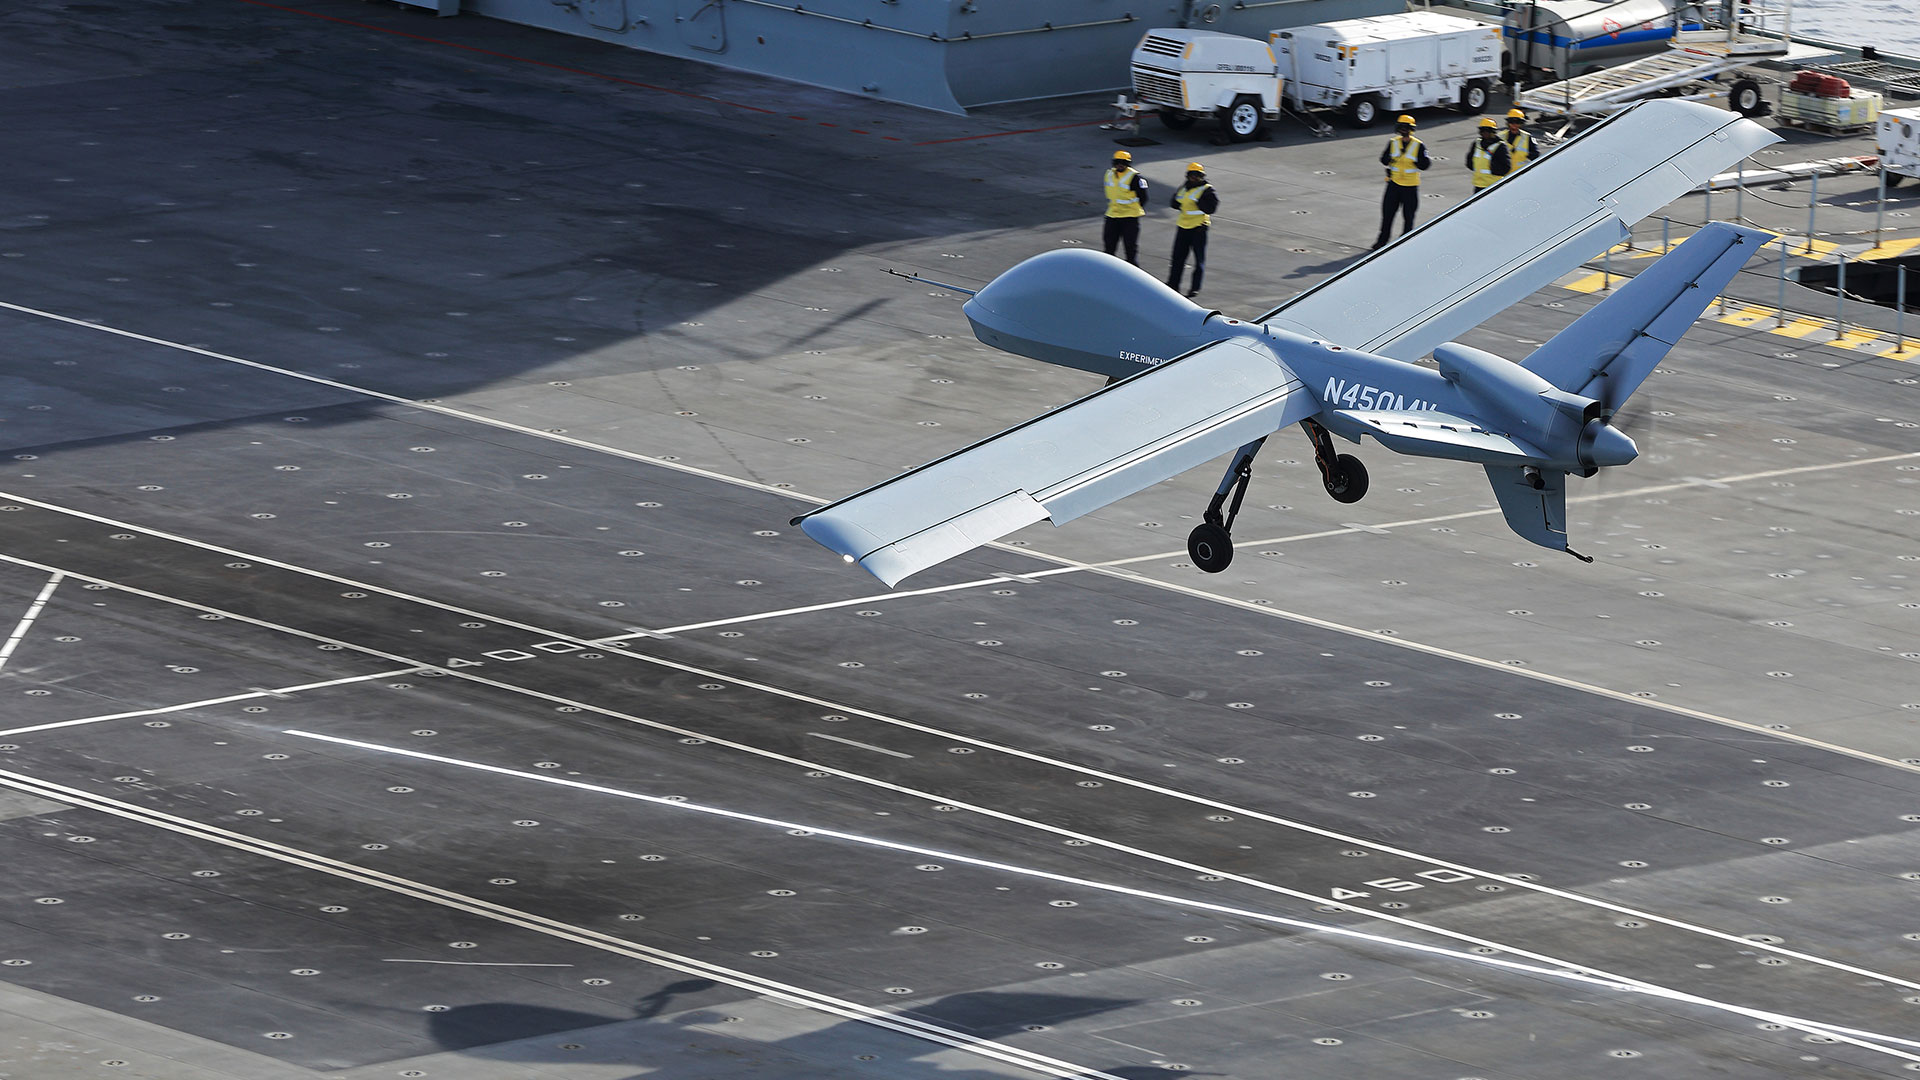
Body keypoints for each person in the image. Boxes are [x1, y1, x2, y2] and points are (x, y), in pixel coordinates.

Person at [1373, 115, 1430, 250]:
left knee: (1408, 217)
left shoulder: (1418, 145)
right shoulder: (1393, 143)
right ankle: (1382, 241)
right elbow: (1384, 159)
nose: (1404, 131)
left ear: (1411, 130)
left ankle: (1405, 243)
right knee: (1387, 214)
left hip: (1410, 187)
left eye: (1406, 128)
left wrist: (1417, 162)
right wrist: (1390, 160)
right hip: (1394, 185)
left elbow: (1426, 164)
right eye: (1402, 128)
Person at [1166, 162, 1217, 297]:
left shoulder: (1207, 190)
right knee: (1177, 258)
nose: (1194, 178)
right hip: (1183, 227)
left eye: (1197, 176)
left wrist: (1199, 202)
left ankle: (1195, 287)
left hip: (1198, 228)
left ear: (1202, 177)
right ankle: (1173, 284)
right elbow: (1174, 203)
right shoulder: (1184, 188)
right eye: (1192, 175)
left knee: (1198, 260)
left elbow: (1211, 208)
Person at [1102, 150, 1149, 265]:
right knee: (1109, 248)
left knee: (1130, 249)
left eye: (1124, 162)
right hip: (1112, 215)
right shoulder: (1109, 174)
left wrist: (1131, 209)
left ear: (1128, 164)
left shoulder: (1135, 178)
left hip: (1129, 218)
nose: (1120, 164)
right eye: (1118, 162)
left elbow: (1144, 198)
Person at [1467, 117, 1511, 193]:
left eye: (1487, 131)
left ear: (1493, 132)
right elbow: (1469, 162)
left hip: (1494, 185)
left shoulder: (1500, 146)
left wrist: (1492, 167)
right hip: (1478, 185)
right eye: (1483, 131)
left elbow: (1506, 167)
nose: (1485, 133)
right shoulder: (1477, 143)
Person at [1504, 108, 1533, 172]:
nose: (1514, 126)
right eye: (1512, 122)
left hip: (1520, 175)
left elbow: (1535, 157)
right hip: (1503, 177)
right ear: (1508, 123)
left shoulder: (1527, 137)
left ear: (1522, 124)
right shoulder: (1500, 136)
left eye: (1517, 123)